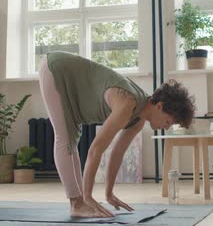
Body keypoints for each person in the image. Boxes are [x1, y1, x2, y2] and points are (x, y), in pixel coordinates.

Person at [38, 51, 195, 218]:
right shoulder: (127, 103)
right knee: (64, 138)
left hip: (74, 87)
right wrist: (89, 196)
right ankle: (77, 203)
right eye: (168, 122)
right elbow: (95, 150)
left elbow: (117, 153)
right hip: (57, 69)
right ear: (159, 106)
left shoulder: (138, 119)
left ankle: (79, 202)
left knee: (71, 140)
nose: (166, 127)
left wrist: (109, 193)